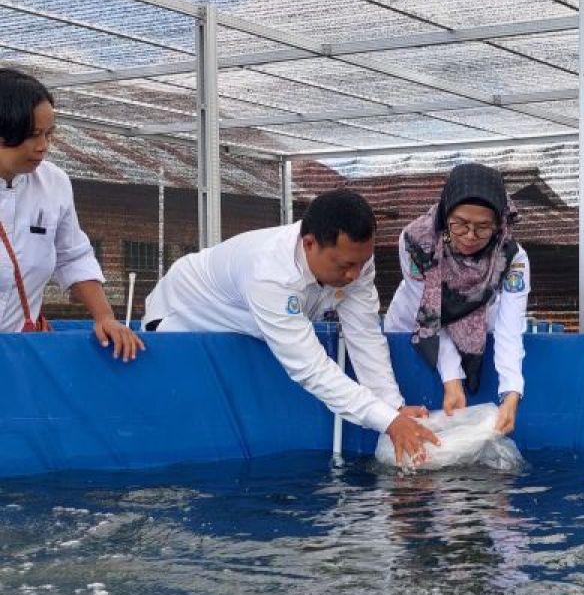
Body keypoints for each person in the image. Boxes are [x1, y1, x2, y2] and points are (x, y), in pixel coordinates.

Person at [143, 189, 437, 463]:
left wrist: (394, 407)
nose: (354, 274)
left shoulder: (355, 261)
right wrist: (387, 421)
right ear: (309, 243)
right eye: (345, 265)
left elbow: (364, 333)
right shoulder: (270, 273)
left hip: (244, 324)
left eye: (362, 263)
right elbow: (311, 369)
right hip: (179, 323)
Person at [0, 69, 142, 359]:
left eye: (48, 134)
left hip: (20, 355)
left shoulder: (54, 183)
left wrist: (104, 317)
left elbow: (73, 255)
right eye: (32, 135)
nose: (43, 147)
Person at [383, 163, 528, 436]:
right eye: (460, 225)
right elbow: (429, 312)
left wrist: (511, 392)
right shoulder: (416, 242)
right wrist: (451, 378)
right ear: (445, 213)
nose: (471, 237)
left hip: (476, 333)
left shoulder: (511, 256)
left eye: (484, 227)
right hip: (413, 329)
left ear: (499, 224)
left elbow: (510, 329)